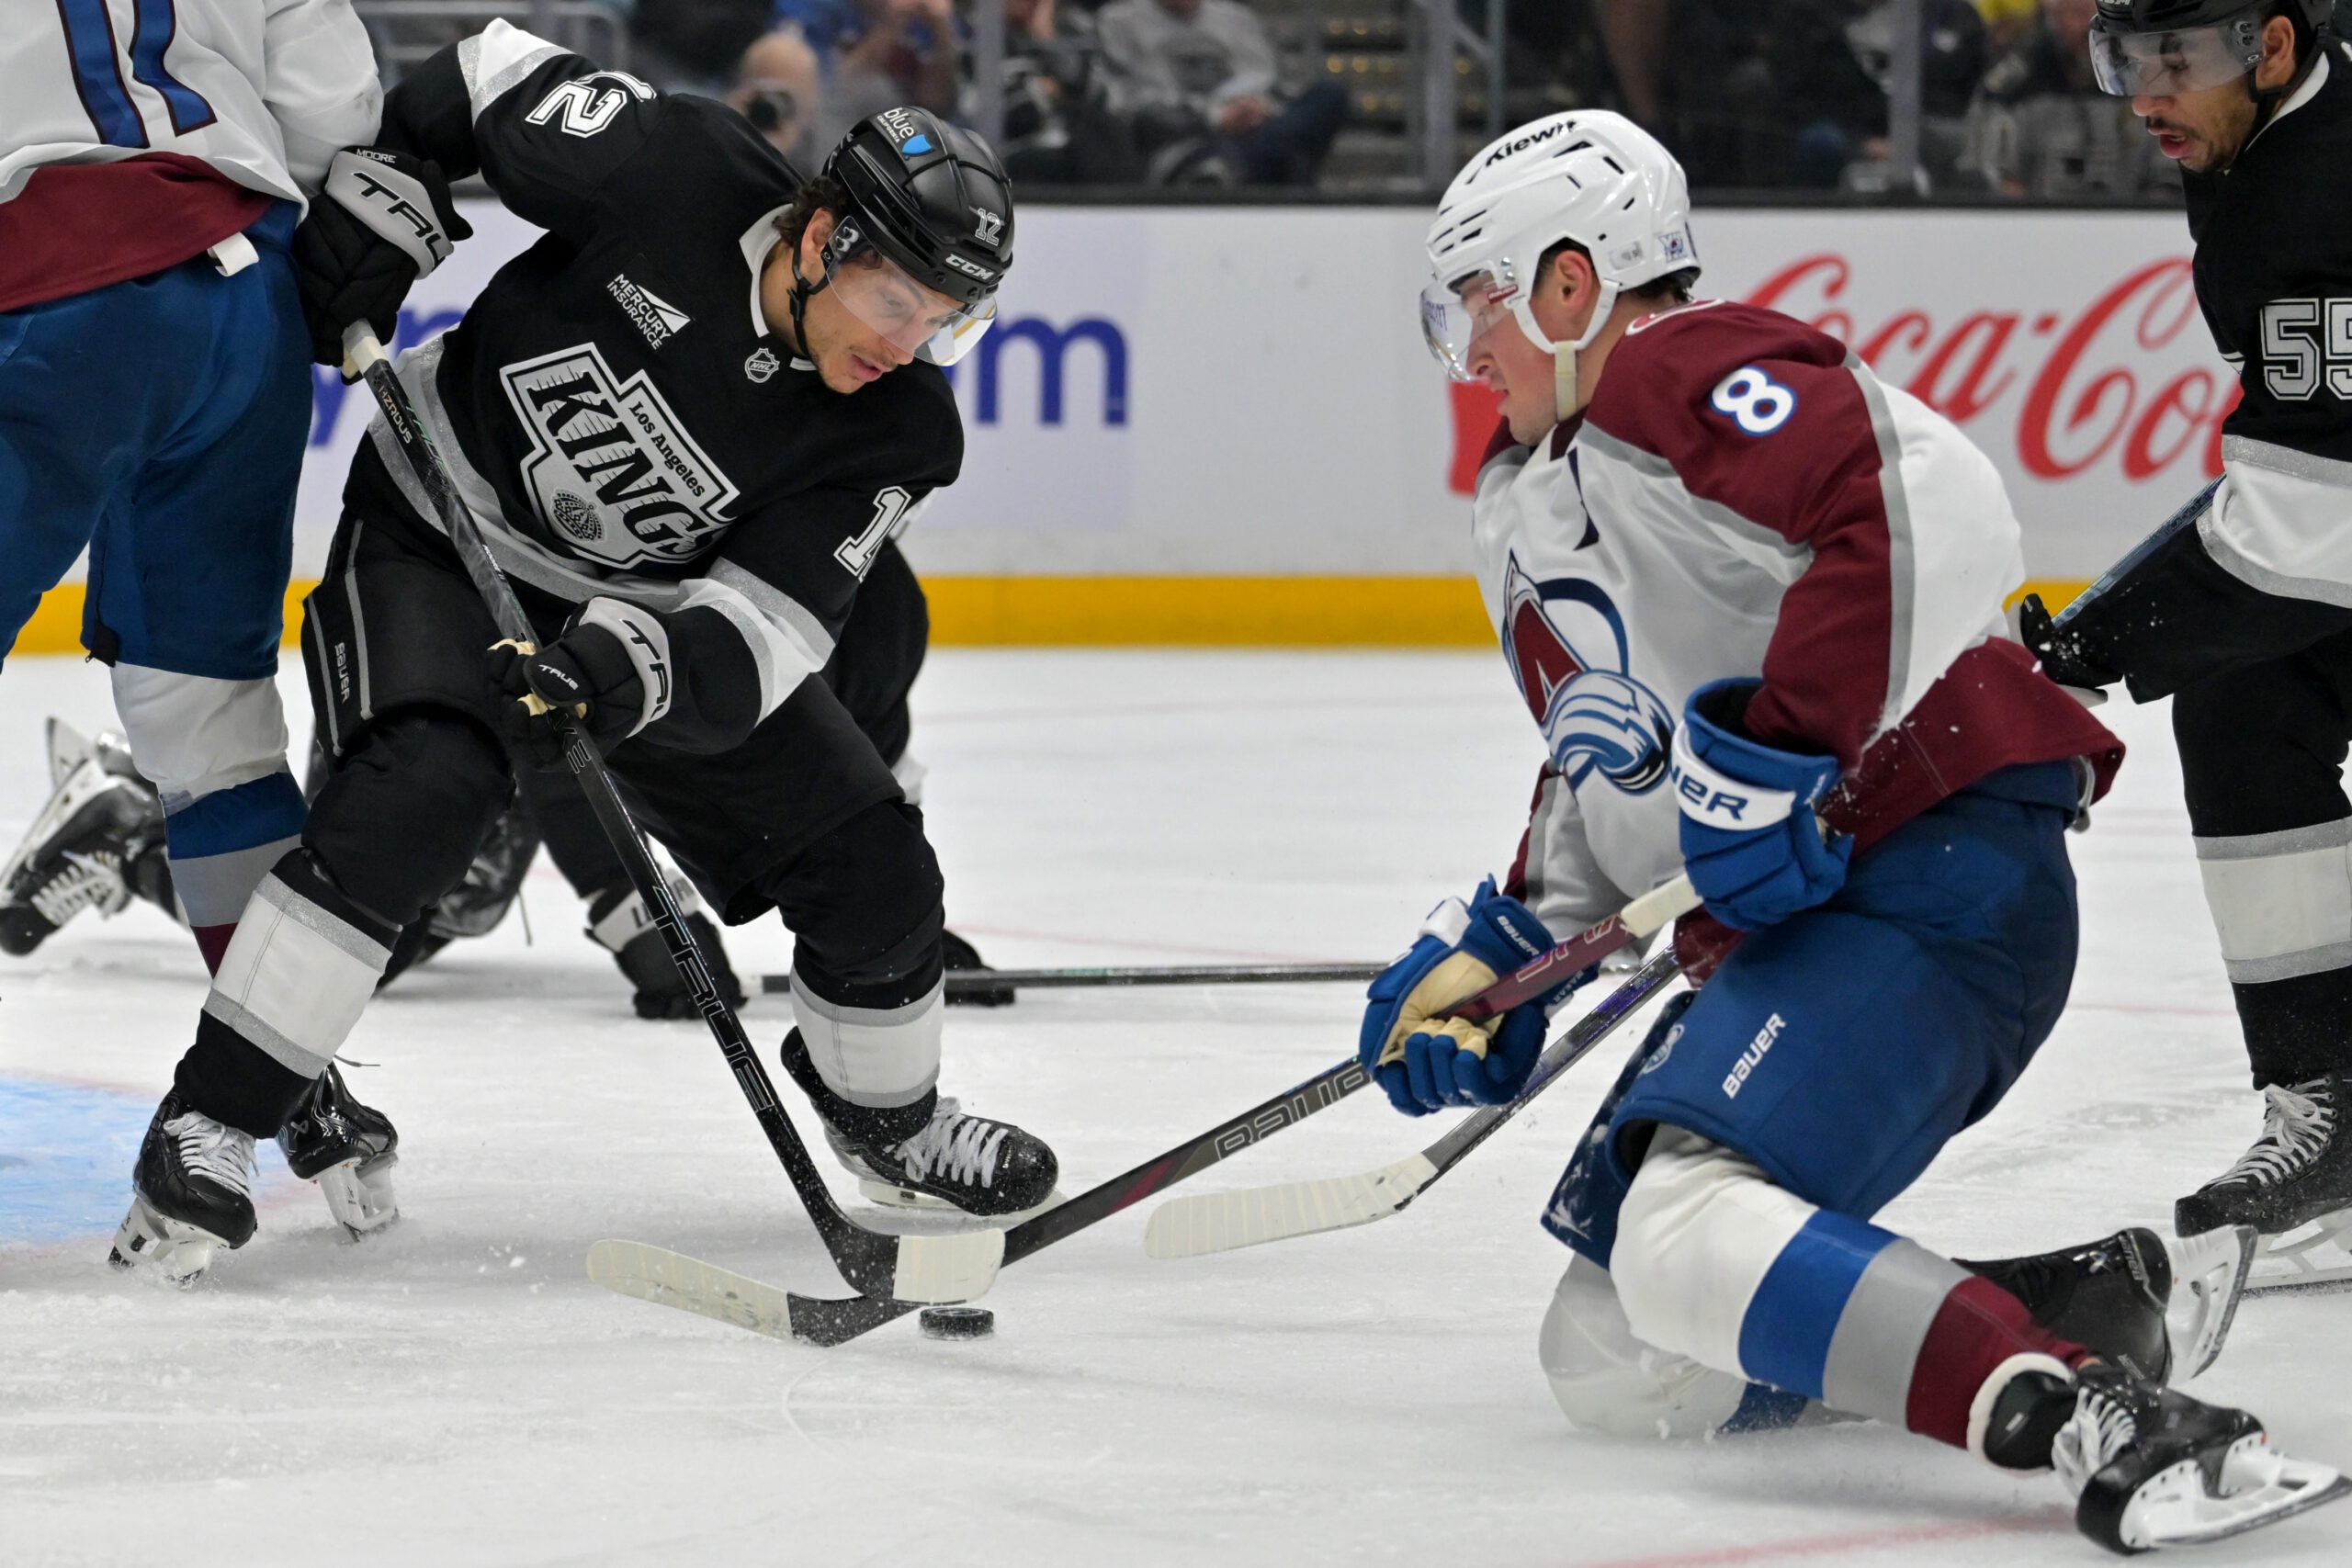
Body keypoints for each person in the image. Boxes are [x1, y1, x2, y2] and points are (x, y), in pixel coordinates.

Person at [1382, 108, 2344, 1552]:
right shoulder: (1532, 493)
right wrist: (1511, 943)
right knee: (1624, 1355)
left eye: (1481, 307)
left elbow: (1926, 501)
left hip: (1940, 874)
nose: (1472, 354)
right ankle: (2054, 1302)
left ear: (1568, 284)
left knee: (1680, 1231)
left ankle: (2094, 1408)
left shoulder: (1675, 369)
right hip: (1819, 917)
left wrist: (1777, 759)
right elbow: (1616, 749)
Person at [107, 21, 1059, 1282]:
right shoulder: (674, 168)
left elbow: (763, 631)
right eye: (899, 302)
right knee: (424, 795)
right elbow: (486, 70)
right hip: (440, 536)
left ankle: (891, 1123)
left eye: (945, 322)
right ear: (826, 238)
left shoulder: (899, 431)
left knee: (874, 862)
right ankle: (211, 1120)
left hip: (637, 625)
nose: (909, 343)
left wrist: (622, 670)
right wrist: (393, 189)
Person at [0, 0, 408, 1240]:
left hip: (54, 289)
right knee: (207, 718)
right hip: (244, 314)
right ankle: (290, 1075)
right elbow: (337, 116)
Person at [2022, 0, 2352, 1291]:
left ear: (2273, 47)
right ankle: (2332, 1114)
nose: (2147, 95)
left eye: (2179, 61)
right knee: (2238, 700)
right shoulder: (2255, 150)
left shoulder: (2318, 197)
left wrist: (2083, 649)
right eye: (2128, 61)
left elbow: (2314, 517)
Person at [1096, 0, 1348, 186]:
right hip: (1186, 140)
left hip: (1259, 129)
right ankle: (1229, 164)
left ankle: (1239, 163)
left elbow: (1274, 82)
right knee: (1256, 155)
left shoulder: (1238, 19)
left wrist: (1260, 108)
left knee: (1329, 94)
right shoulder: (1119, 22)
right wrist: (1216, 118)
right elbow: (1129, 105)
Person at [1963, 0, 2178, 198]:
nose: (2085, 27)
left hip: (2134, 223)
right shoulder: (2016, 83)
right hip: (2037, 224)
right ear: (2051, 14)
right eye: (2071, 14)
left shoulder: (2147, 75)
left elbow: (2168, 175)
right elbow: (1992, 172)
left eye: (2095, 14)